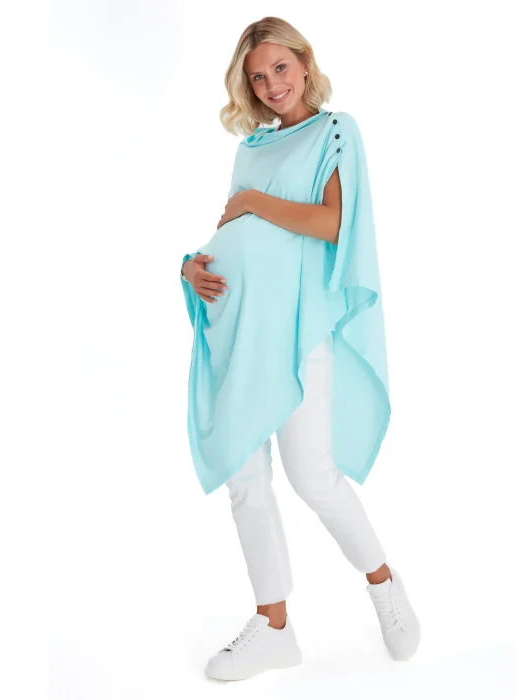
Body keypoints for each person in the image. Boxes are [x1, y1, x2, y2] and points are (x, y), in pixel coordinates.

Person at [180, 17, 420, 681]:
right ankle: (274, 626)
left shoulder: (336, 130)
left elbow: (332, 222)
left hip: (296, 330)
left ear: (305, 63)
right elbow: (230, 230)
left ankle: (383, 584)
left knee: (313, 475)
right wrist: (192, 266)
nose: (270, 85)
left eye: (279, 68)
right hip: (236, 326)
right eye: (257, 77)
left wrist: (254, 202)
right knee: (244, 478)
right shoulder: (251, 148)